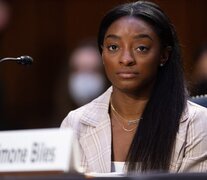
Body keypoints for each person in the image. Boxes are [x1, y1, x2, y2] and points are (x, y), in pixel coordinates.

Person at [61, 1, 207, 174]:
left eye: (141, 48)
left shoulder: (197, 123)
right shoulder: (76, 122)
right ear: (102, 53)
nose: (126, 59)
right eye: (113, 47)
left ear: (163, 55)